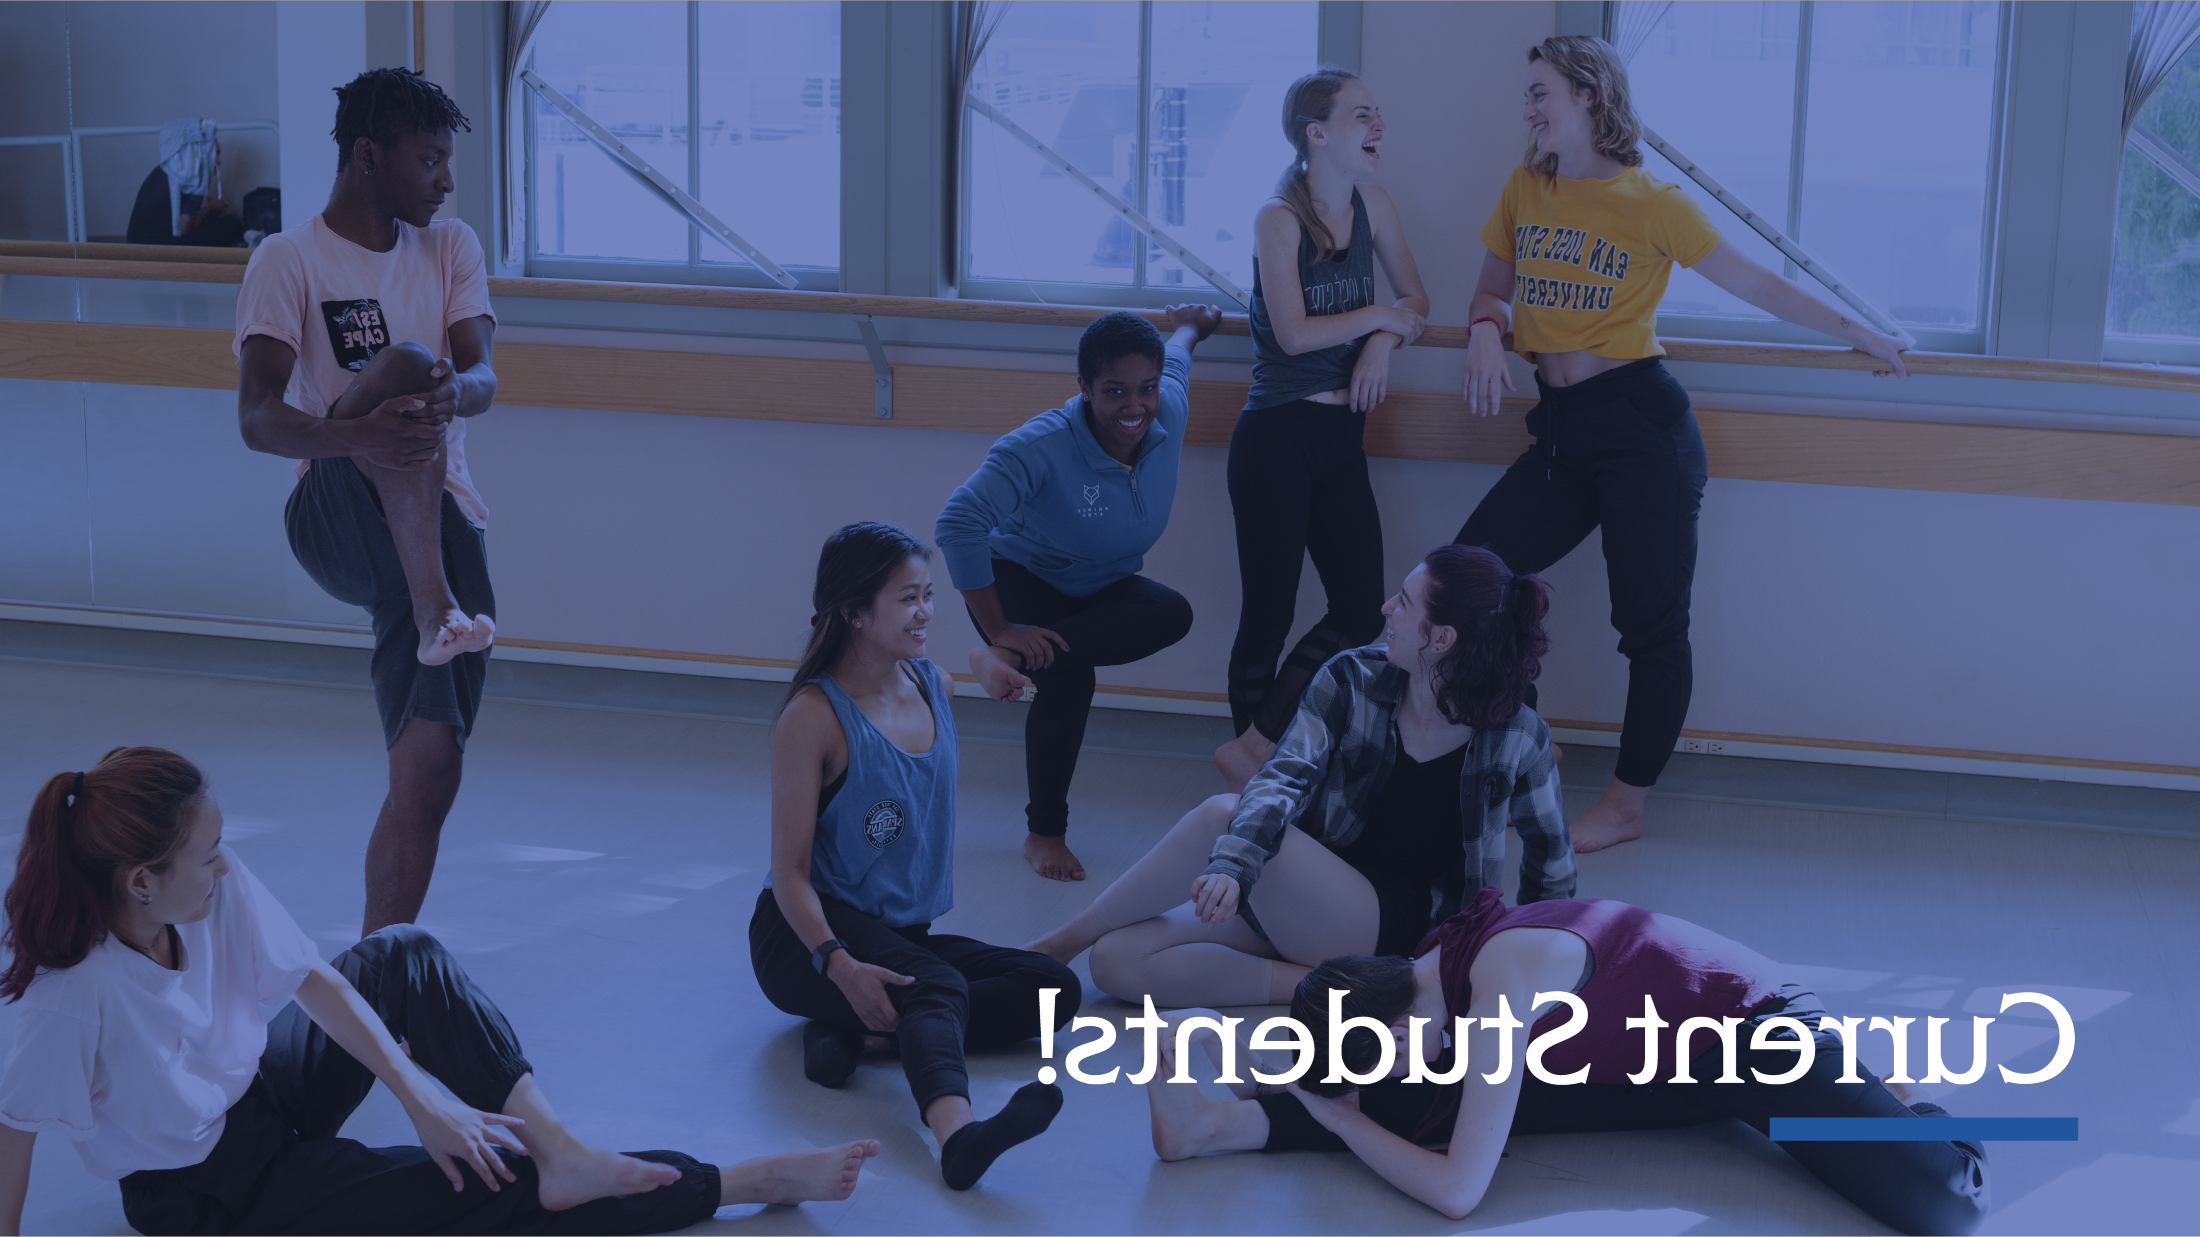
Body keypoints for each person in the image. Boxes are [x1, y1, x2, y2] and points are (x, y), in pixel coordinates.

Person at [0, 747, 881, 1237]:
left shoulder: (210, 889)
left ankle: (565, 1145)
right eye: (207, 851)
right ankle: (730, 1181)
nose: (225, 861)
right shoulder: (70, 994)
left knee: (399, 952)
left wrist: (420, 1096)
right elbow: (12, 1129)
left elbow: (308, 977)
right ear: (141, 881)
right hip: (210, 1194)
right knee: (493, 1184)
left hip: (260, 1091)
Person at [1454, 36, 1913, 853]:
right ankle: (1522, 730)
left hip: (1641, 432)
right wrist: (1485, 334)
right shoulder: (1526, 187)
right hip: (1557, 434)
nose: (1526, 110)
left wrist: (1858, 332)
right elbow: (1491, 290)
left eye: (1539, 93)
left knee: (1651, 627)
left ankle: (1627, 805)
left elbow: (1757, 281)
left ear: (1589, 95)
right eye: (1526, 96)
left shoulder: (1652, 202)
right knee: (1468, 576)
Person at [1141, 886, 1989, 1237]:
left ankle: (1907, 1096)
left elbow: (1457, 1194)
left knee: (1943, 1201)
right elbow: (1395, 1078)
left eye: (1379, 1060)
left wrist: (1336, 1112)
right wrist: (1341, 1096)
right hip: (1641, 1059)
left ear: (1397, 1017)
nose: (1384, 1075)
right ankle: (1218, 1120)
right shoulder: (1432, 978)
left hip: (1751, 1035)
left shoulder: (1502, 984)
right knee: (1419, 1110)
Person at [1028, 544, 1575, 1009]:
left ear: (1442, 640)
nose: (1387, 608)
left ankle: (1057, 943)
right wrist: (1239, 868)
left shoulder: (1517, 735)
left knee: (1222, 814)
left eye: (1404, 604)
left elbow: (1550, 864)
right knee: (1117, 962)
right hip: (1302, 897)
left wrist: (1534, 969)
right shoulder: (1352, 676)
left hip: (1396, 922)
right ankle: (1362, 992)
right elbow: (1284, 775)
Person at [234, 68, 500, 937]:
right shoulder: (288, 259)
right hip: (336, 509)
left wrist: (444, 397)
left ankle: (379, 972)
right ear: (367, 156)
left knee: (430, 774)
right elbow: (259, 418)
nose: (445, 181)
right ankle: (432, 609)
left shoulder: (452, 246)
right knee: (394, 364)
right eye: (429, 161)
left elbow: (484, 375)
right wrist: (366, 432)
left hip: (439, 514)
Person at [750, 523, 1082, 1192]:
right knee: (937, 987)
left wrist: (991, 663)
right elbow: (788, 875)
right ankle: (958, 1135)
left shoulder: (934, 685)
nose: (925, 610)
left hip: (900, 933)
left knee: (1053, 988)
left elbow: (962, 667)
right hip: (804, 938)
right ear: (855, 611)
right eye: (907, 598)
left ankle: (860, 1034)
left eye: (928, 594)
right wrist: (838, 966)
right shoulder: (813, 716)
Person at [937, 307, 1221, 881]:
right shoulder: (1039, 445)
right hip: (1020, 579)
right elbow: (958, 522)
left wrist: (1193, 327)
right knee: (1069, 678)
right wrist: (999, 627)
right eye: (1114, 391)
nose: (1134, 406)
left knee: (1171, 611)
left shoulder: (1168, 407)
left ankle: (1006, 661)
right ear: (1085, 388)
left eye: (1145, 389)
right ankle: (1043, 834)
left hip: (1098, 584)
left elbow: (1180, 359)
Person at [1212, 67, 1431, 793]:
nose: (1380, 126)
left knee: (1360, 608)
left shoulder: (1374, 203)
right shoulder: (1278, 218)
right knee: (1268, 612)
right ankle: (1255, 764)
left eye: (1379, 113)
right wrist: (1376, 318)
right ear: (1318, 134)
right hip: (1276, 437)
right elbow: (1296, 334)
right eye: (1363, 114)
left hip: (1342, 437)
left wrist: (1382, 344)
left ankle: (1256, 743)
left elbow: (1416, 296)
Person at [125, 119, 246, 248]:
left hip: (133, 244)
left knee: (218, 224)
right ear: (201, 154)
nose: (220, 160)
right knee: (234, 225)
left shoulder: (165, 168)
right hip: (163, 249)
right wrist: (209, 210)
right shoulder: (194, 179)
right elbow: (185, 230)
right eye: (215, 154)